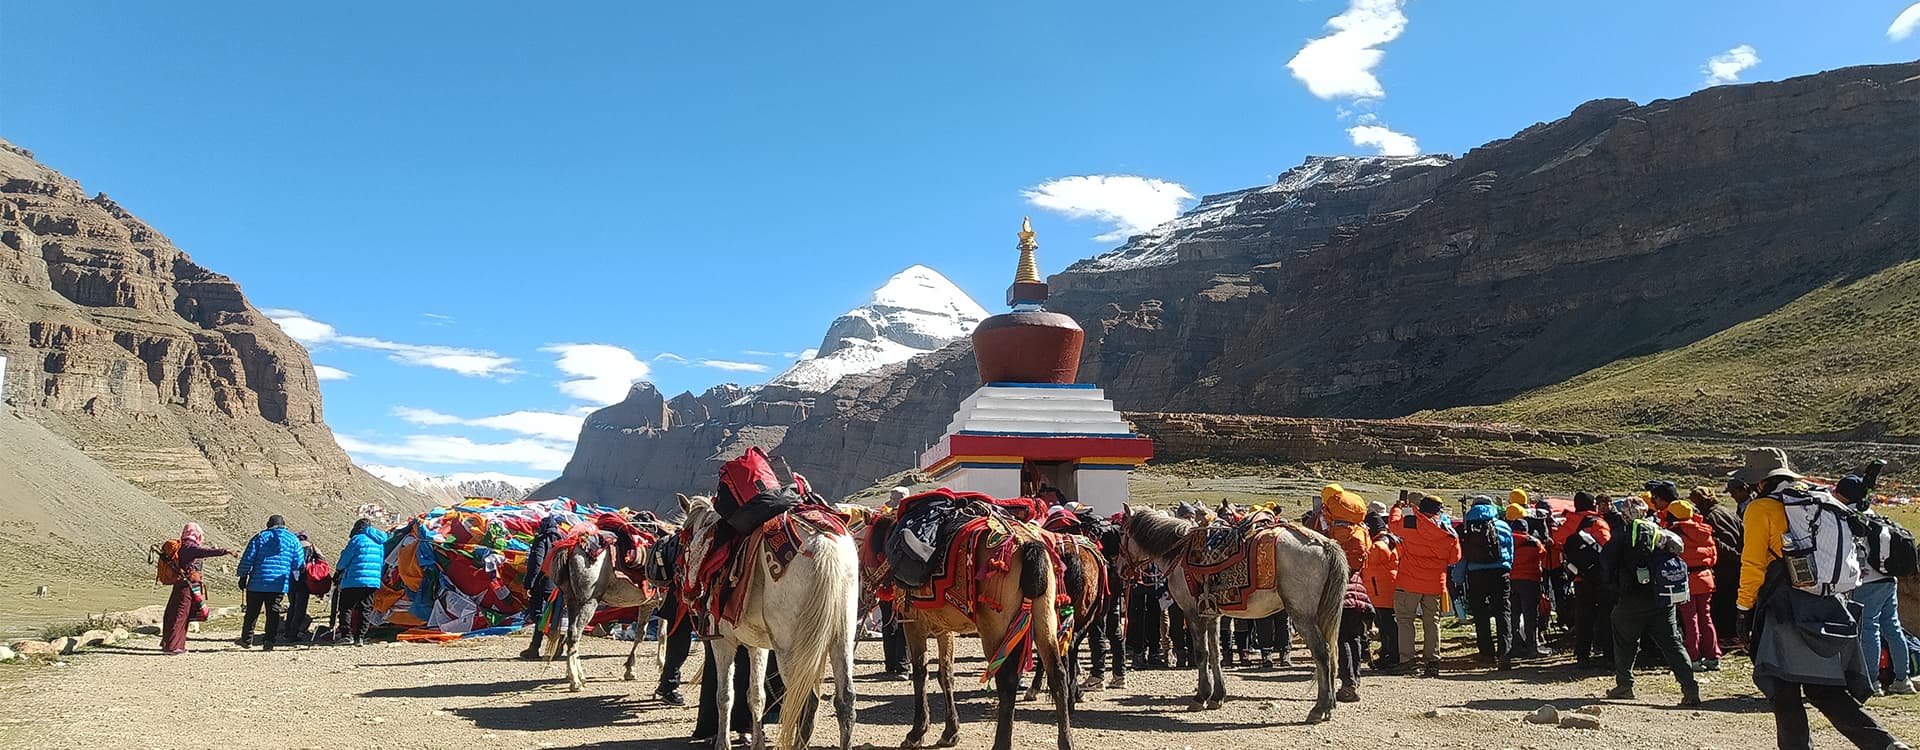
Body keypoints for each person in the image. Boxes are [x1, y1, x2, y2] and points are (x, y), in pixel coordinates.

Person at [1733, 448, 1905, 749]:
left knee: (1783, 689)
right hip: (1827, 602)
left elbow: (1753, 565)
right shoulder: (1819, 497)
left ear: (1758, 480)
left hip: (1785, 606)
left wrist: (1743, 610)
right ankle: (1886, 744)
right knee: (1824, 690)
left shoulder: (1761, 508)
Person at [1602, 499, 1700, 706]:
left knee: (1624, 641)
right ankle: (1690, 688)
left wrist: (1614, 587)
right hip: (1662, 599)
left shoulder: (1623, 535)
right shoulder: (1661, 533)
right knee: (1673, 644)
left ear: (1625, 515)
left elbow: (1607, 563)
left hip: (1631, 600)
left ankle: (1625, 685)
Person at [1848, 479, 1913, 697]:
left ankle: (1871, 681)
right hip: (1888, 578)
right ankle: (1903, 679)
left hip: (1868, 580)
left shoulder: (1851, 515)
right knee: (1893, 628)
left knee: (1868, 628)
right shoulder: (1874, 514)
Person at [1393, 494, 1461, 678]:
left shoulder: (1411, 522)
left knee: (1405, 620)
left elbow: (1393, 525)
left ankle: (1407, 661)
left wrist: (1399, 508)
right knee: (1432, 622)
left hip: (1409, 581)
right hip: (1435, 583)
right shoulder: (1448, 532)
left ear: (1421, 508)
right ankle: (1432, 662)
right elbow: (1455, 558)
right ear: (1439, 510)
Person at [1553, 492, 1614, 669]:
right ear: (1592, 505)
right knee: (1605, 615)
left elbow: (1558, 541)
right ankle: (1608, 654)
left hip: (1580, 576)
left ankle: (1582, 655)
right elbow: (1607, 547)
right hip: (1601, 576)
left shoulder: (1570, 522)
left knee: (1583, 616)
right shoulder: (1598, 522)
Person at [160, 523, 235, 655]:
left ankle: (170, 643)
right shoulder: (190, 547)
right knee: (181, 615)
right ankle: (173, 647)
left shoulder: (184, 545)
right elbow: (205, 552)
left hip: (182, 585)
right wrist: (225, 551)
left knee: (175, 613)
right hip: (187, 586)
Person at [235, 514, 305, 650]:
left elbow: (248, 558)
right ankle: (269, 640)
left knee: (252, 612)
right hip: (278, 584)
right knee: (273, 612)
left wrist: (242, 576)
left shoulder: (260, 537)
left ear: (269, 524)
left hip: (257, 582)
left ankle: (247, 639)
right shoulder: (293, 540)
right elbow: (298, 562)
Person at [1667, 500, 1721, 671]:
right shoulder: (1704, 530)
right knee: (1706, 617)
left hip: (1686, 579)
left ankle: (1694, 657)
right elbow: (1713, 557)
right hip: (1705, 577)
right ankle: (1713, 656)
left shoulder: (1673, 533)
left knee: (1689, 620)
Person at [1461, 495, 1514, 669]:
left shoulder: (1468, 526)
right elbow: (1510, 552)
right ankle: (1505, 653)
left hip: (1476, 573)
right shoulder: (1503, 525)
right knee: (1503, 611)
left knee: (1480, 613)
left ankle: (1486, 653)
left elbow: (1462, 554)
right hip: (1500, 573)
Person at [1695, 485, 1745, 650]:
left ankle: (1727, 637)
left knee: (1723, 602)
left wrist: (1734, 555)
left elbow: (1717, 543)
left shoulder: (1710, 517)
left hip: (1725, 565)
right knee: (1733, 600)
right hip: (1738, 563)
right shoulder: (1727, 511)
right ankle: (1737, 635)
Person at [1507, 503, 1549, 660]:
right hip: (1531, 581)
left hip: (1511, 580)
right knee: (1531, 614)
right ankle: (1532, 646)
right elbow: (1543, 555)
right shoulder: (1533, 541)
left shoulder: (1508, 540)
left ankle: (1514, 645)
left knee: (1514, 614)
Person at [336, 518, 387, 647]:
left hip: (354, 580)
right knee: (366, 608)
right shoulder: (379, 542)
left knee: (346, 607)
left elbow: (345, 559)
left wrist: (339, 569)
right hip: (372, 581)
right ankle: (360, 637)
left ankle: (347, 635)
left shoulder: (357, 539)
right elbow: (381, 562)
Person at [520, 515, 563, 660]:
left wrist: (528, 585)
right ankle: (534, 647)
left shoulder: (542, 540)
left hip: (540, 583)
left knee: (536, 613)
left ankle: (553, 637)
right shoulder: (562, 541)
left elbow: (536, 564)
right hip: (556, 584)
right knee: (548, 615)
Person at [1363, 513, 1400, 670]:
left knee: (1388, 626)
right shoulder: (1391, 540)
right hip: (1384, 589)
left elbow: (1366, 559)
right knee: (1387, 625)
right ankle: (1388, 654)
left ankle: (1392, 657)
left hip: (1381, 591)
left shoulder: (1378, 546)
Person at [1336, 569, 1372, 702]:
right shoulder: (1357, 569)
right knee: (1355, 640)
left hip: (1342, 603)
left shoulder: (1336, 565)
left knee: (1343, 641)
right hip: (1359, 604)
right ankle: (1355, 680)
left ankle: (1347, 682)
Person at [282, 532, 323, 643]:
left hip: (291, 580)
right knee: (300, 607)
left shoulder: (291, 546)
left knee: (292, 605)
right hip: (305, 580)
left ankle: (287, 631)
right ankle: (294, 633)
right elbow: (321, 559)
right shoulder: (311, 547)